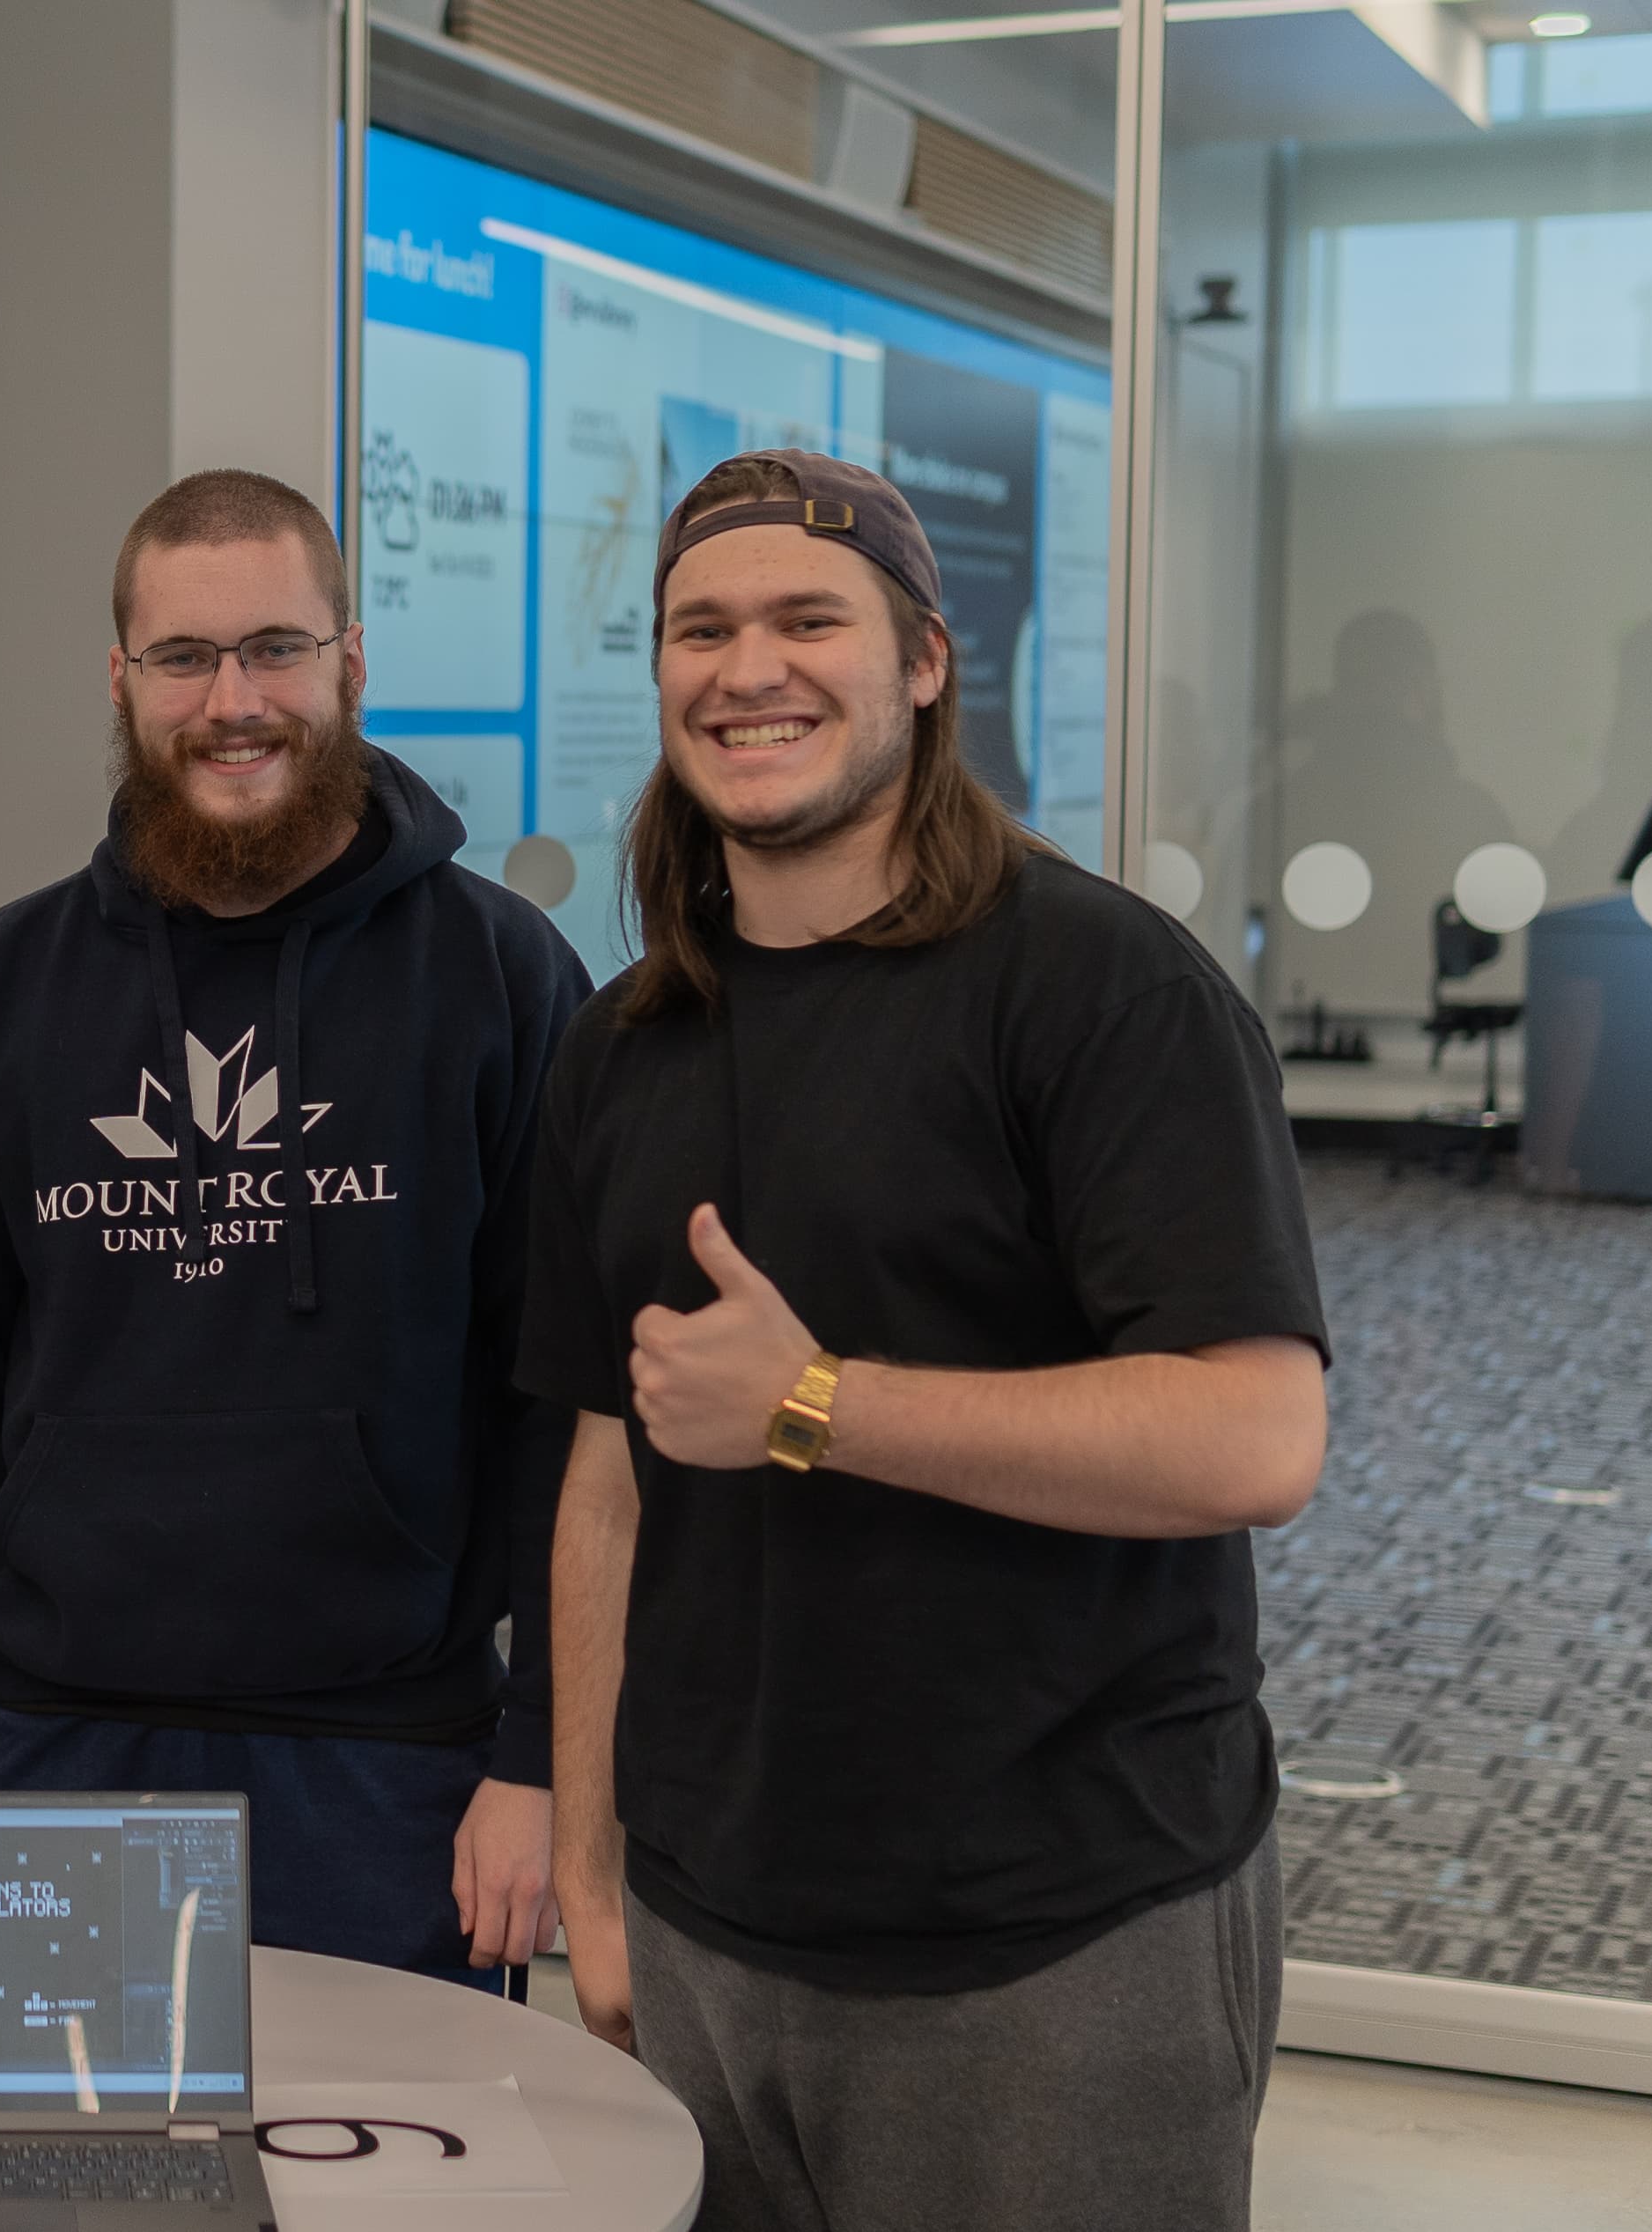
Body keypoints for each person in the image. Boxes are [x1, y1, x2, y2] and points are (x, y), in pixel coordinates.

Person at [520, 450, 1328, 2230]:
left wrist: (813, 1403)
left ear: (921, 662)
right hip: (705, 1920)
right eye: (699, 627)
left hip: (1053, 1931)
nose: (748, 669)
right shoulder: (621, 1044)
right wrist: (590, 1864)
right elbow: (603, 1480)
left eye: (809, 619)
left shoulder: (1100, 989)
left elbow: (1252, 1437)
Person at [0, 468, 592, 1984]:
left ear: (351, 666)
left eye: (274, 650)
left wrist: (543, 1756)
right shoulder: (8, 981)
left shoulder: (498, 977)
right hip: (53, 1739)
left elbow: (562, 1402)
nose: (231, 700)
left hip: (395, 1759)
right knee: (47, 2210)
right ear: (120, 682)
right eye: (182, 659)